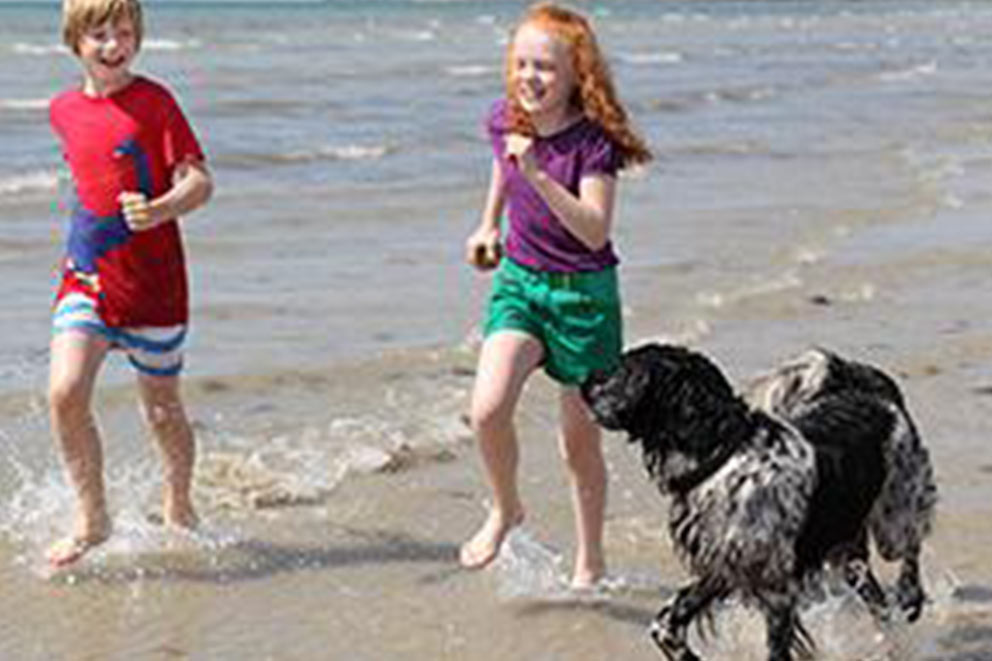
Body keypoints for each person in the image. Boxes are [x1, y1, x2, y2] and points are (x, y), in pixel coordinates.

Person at [460, 2, 651, 588]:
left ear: (576, 75)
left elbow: (595, 229)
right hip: (519, 284)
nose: (529, 77)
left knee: (578, 446)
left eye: (544, 66)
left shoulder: (593, 144)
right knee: (486, 409)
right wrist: (488, 223)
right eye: (520, 63)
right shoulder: (506, 120)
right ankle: (505, 508)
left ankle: (589, 560)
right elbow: (503, 167)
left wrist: (540, 172)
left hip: (584, 299)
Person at [46, 0, 213, 567]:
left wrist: (162, 208)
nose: (114, 44)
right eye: (100, 33)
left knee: (162, 408)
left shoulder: (156, 102)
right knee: (65, 391)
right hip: (87, 277)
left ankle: (179, 505)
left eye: (124, 32)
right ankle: (92, 518)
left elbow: (199, 182)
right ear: (75, 40)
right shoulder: (61, 110)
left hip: (154, 286)